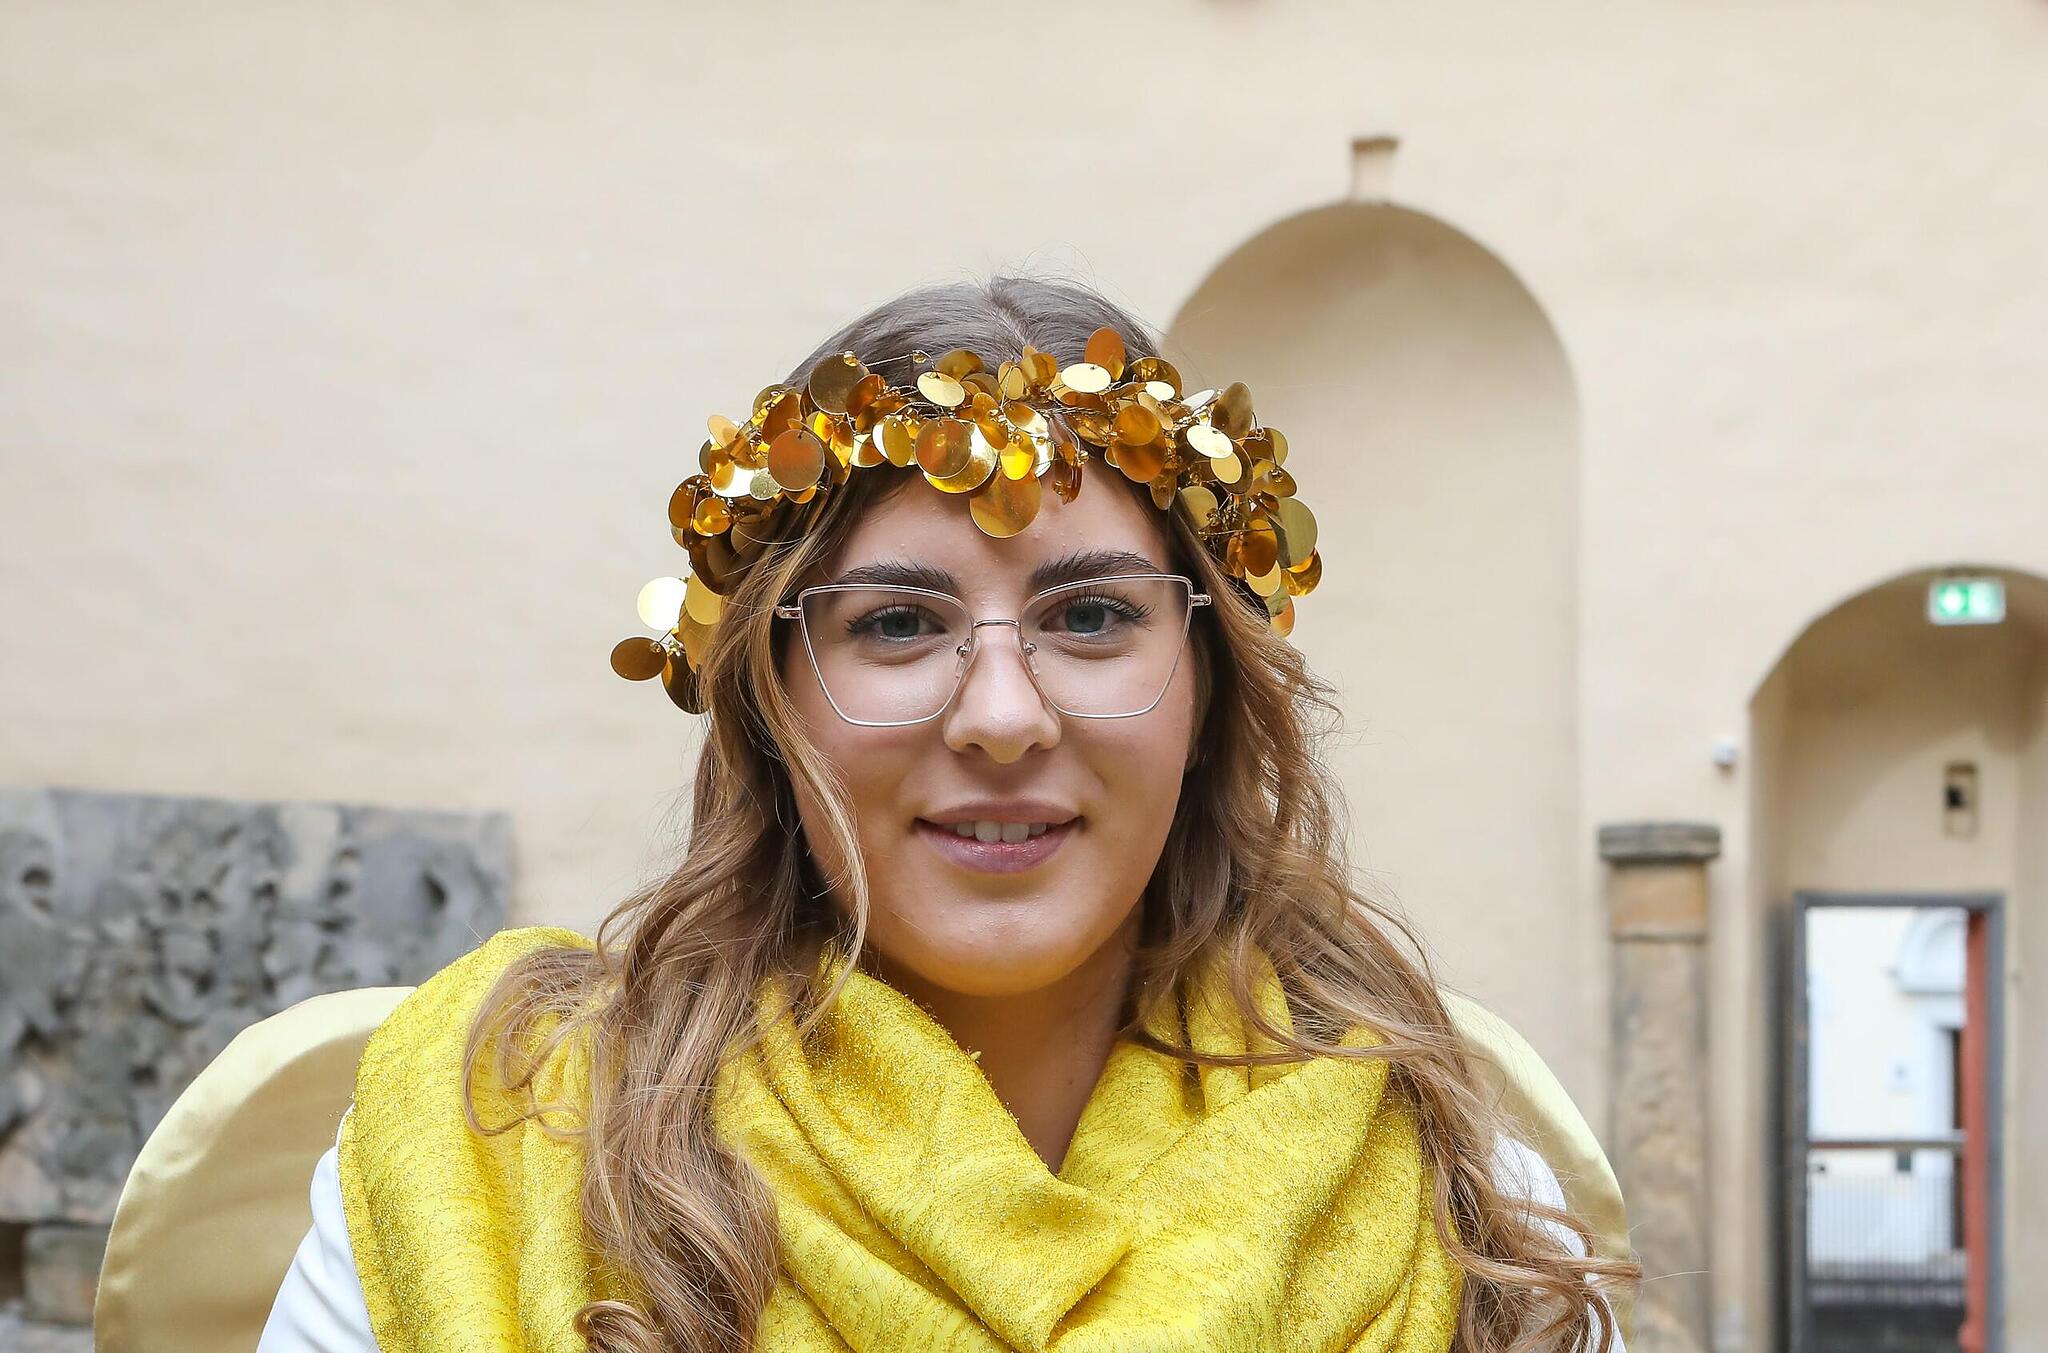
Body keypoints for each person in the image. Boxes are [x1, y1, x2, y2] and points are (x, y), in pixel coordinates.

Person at [256, 275, 1639, 1353]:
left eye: (1091, 615)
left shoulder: (1465, 1216)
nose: (1000, 715)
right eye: (900, 622)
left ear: (1207, 684)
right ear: (771, 693)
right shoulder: (499, 1147)